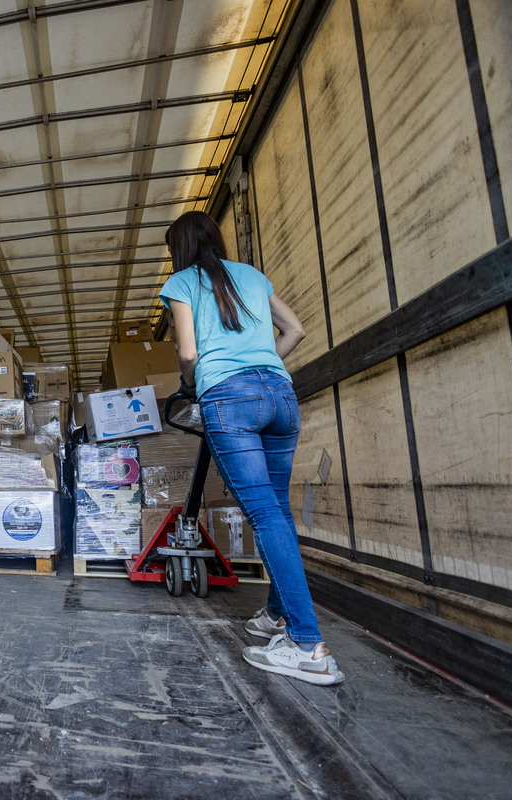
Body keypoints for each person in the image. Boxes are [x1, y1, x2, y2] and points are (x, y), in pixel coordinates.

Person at [159, 210, 345, 686]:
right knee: (277, 510)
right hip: (280, 396)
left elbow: (187, 353)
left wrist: (200, 384)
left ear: (177, 249)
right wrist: (260, 369)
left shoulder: (181, 283)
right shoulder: (252, 277)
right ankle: (279, 617)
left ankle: (309, 647)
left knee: (263, 515)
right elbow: (296, 330)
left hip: (229, 400)